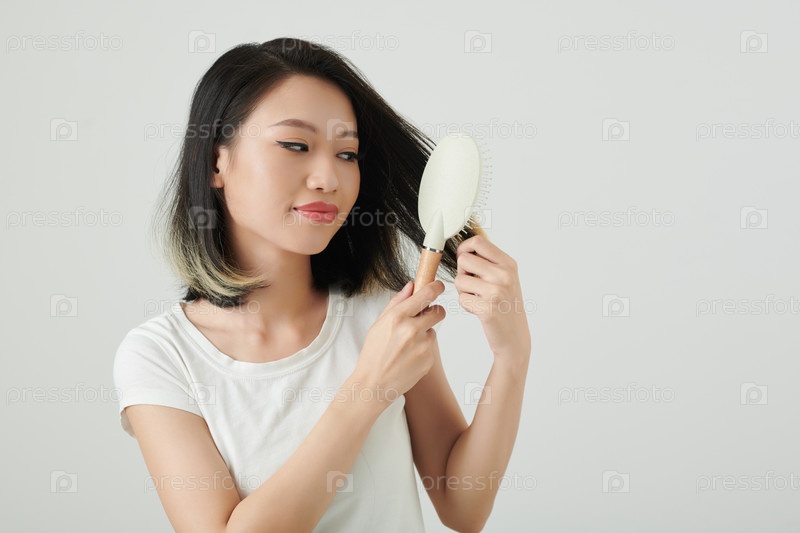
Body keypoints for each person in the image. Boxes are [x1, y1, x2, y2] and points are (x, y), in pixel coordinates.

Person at [113, 37, 531, 532]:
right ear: (215, 163)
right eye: (295, 145)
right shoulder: (160, 356)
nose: (328, 178)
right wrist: (369, 388)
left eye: (347, 153)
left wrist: (511, 356)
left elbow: (464, 508)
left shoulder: (382, 314)